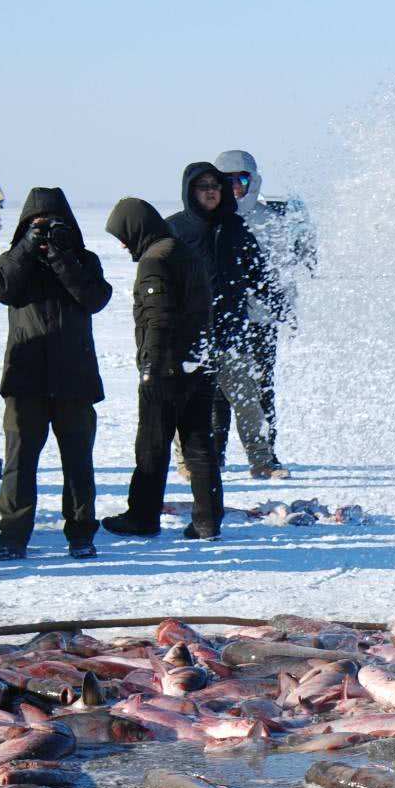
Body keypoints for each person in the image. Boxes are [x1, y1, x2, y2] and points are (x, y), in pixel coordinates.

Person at [0, 187, 112, 560]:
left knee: (78, 463)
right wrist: (28, 247)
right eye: (38, 224)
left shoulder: (83, 260)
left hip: (74, 377)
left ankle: (81, 534)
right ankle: (12, 537)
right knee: (19, 462)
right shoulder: (14, 260)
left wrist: (61, 255)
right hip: (25, 379)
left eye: (55, 223)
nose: (46, 231)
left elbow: (94, 298)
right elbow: (1, 290)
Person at [101, 198, 220, 542]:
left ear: (137, 228)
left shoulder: (156, 259)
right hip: (199, 362)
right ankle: (207, 520)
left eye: (124, 236)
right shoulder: (184, 252)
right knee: (198, 443)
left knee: (152, 444)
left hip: (167, 368)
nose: (123, 245)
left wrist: (151, 367)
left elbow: (158, 318)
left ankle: (142, 516)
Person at [165, 162, 283, 479]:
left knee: (248, 400)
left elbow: (258, 273)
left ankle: (262, 461)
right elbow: (155, 269)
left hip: (231, 333)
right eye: (203, 187)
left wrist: (278, 303)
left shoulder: (234, 227)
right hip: (190, 335)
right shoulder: (174, 228)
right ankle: (187, 462)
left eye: (215, 187)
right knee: (188, 402)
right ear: (190, 191)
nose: (211, 192)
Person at [214, 149, 298, 473]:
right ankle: (214, 456)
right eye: (227, 180)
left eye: (242, 179)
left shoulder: (271, 221)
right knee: (218, 391)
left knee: (262, 386)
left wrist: (287, 308)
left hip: (260, 319)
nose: (235, 186)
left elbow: (283, 270)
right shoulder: (210, 219)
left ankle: (265, 455)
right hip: (221, 318)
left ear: (254, 181)